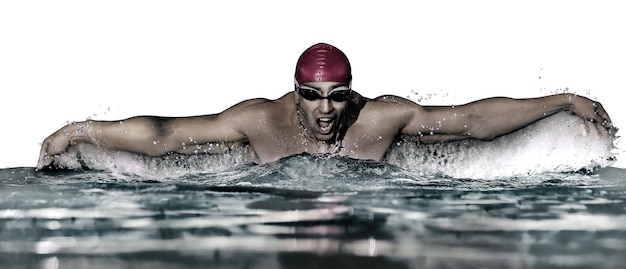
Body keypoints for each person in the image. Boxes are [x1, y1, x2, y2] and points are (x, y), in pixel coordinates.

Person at [36, 43, 616, 170]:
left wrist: (561, 99)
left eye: (337, 98)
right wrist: (81, 129)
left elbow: (470, 120)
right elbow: (165, 133)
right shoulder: (261, 121)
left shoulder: (379, 118)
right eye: (311, 97)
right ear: (294, 91)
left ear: (352, 93)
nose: (324, 111)